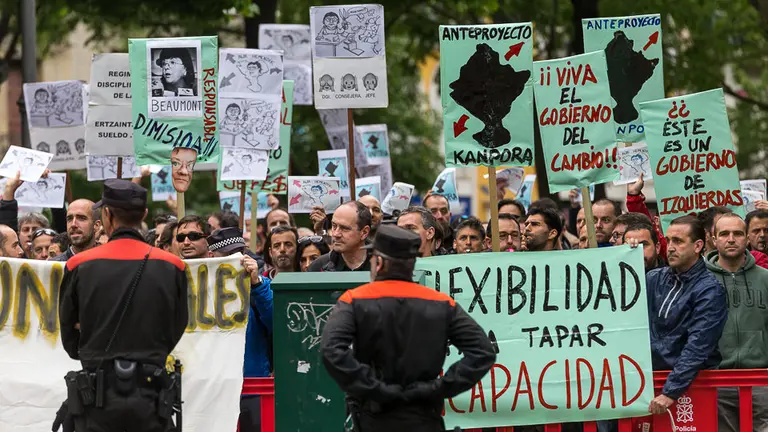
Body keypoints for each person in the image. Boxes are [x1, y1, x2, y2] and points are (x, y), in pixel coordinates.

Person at [321, 225, 496, 432]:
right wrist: (438, 388)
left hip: (373, 419)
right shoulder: (441, 303)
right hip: (424, 416)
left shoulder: (354, 299)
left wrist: (374, 388)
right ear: (412, 264)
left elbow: (330, 349)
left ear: (379, 263)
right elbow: (483, 351)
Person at [58, 179, 187, 432]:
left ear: (106, 215)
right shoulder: (173, 266)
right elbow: (177, 326)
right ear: (145, 214)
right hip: (151, 400)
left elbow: (69, 337)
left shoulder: (78, 265)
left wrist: (92, 350)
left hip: (96, 402)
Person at [642, 215, 727, 415]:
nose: (670, 247)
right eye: (668, 240)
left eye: (678, 241)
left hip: (689, 388)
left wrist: (670, 391)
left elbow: (698, 345)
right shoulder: (653, 278)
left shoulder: (710, 290)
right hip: (651, 383)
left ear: (698, 246)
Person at [703, 213, 768, 431]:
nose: (731, 239)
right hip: (716, 382)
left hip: (761, 381)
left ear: (747, 238)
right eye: (724, 234)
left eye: (738, 233)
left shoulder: (765, 278)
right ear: (713, 239)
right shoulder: (699, 280)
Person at [309, 201, 372, 272]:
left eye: (345, 228)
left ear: (364, 232)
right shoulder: (318, 267)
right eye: (334, 226)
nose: (336, 234)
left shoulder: (383, 266)